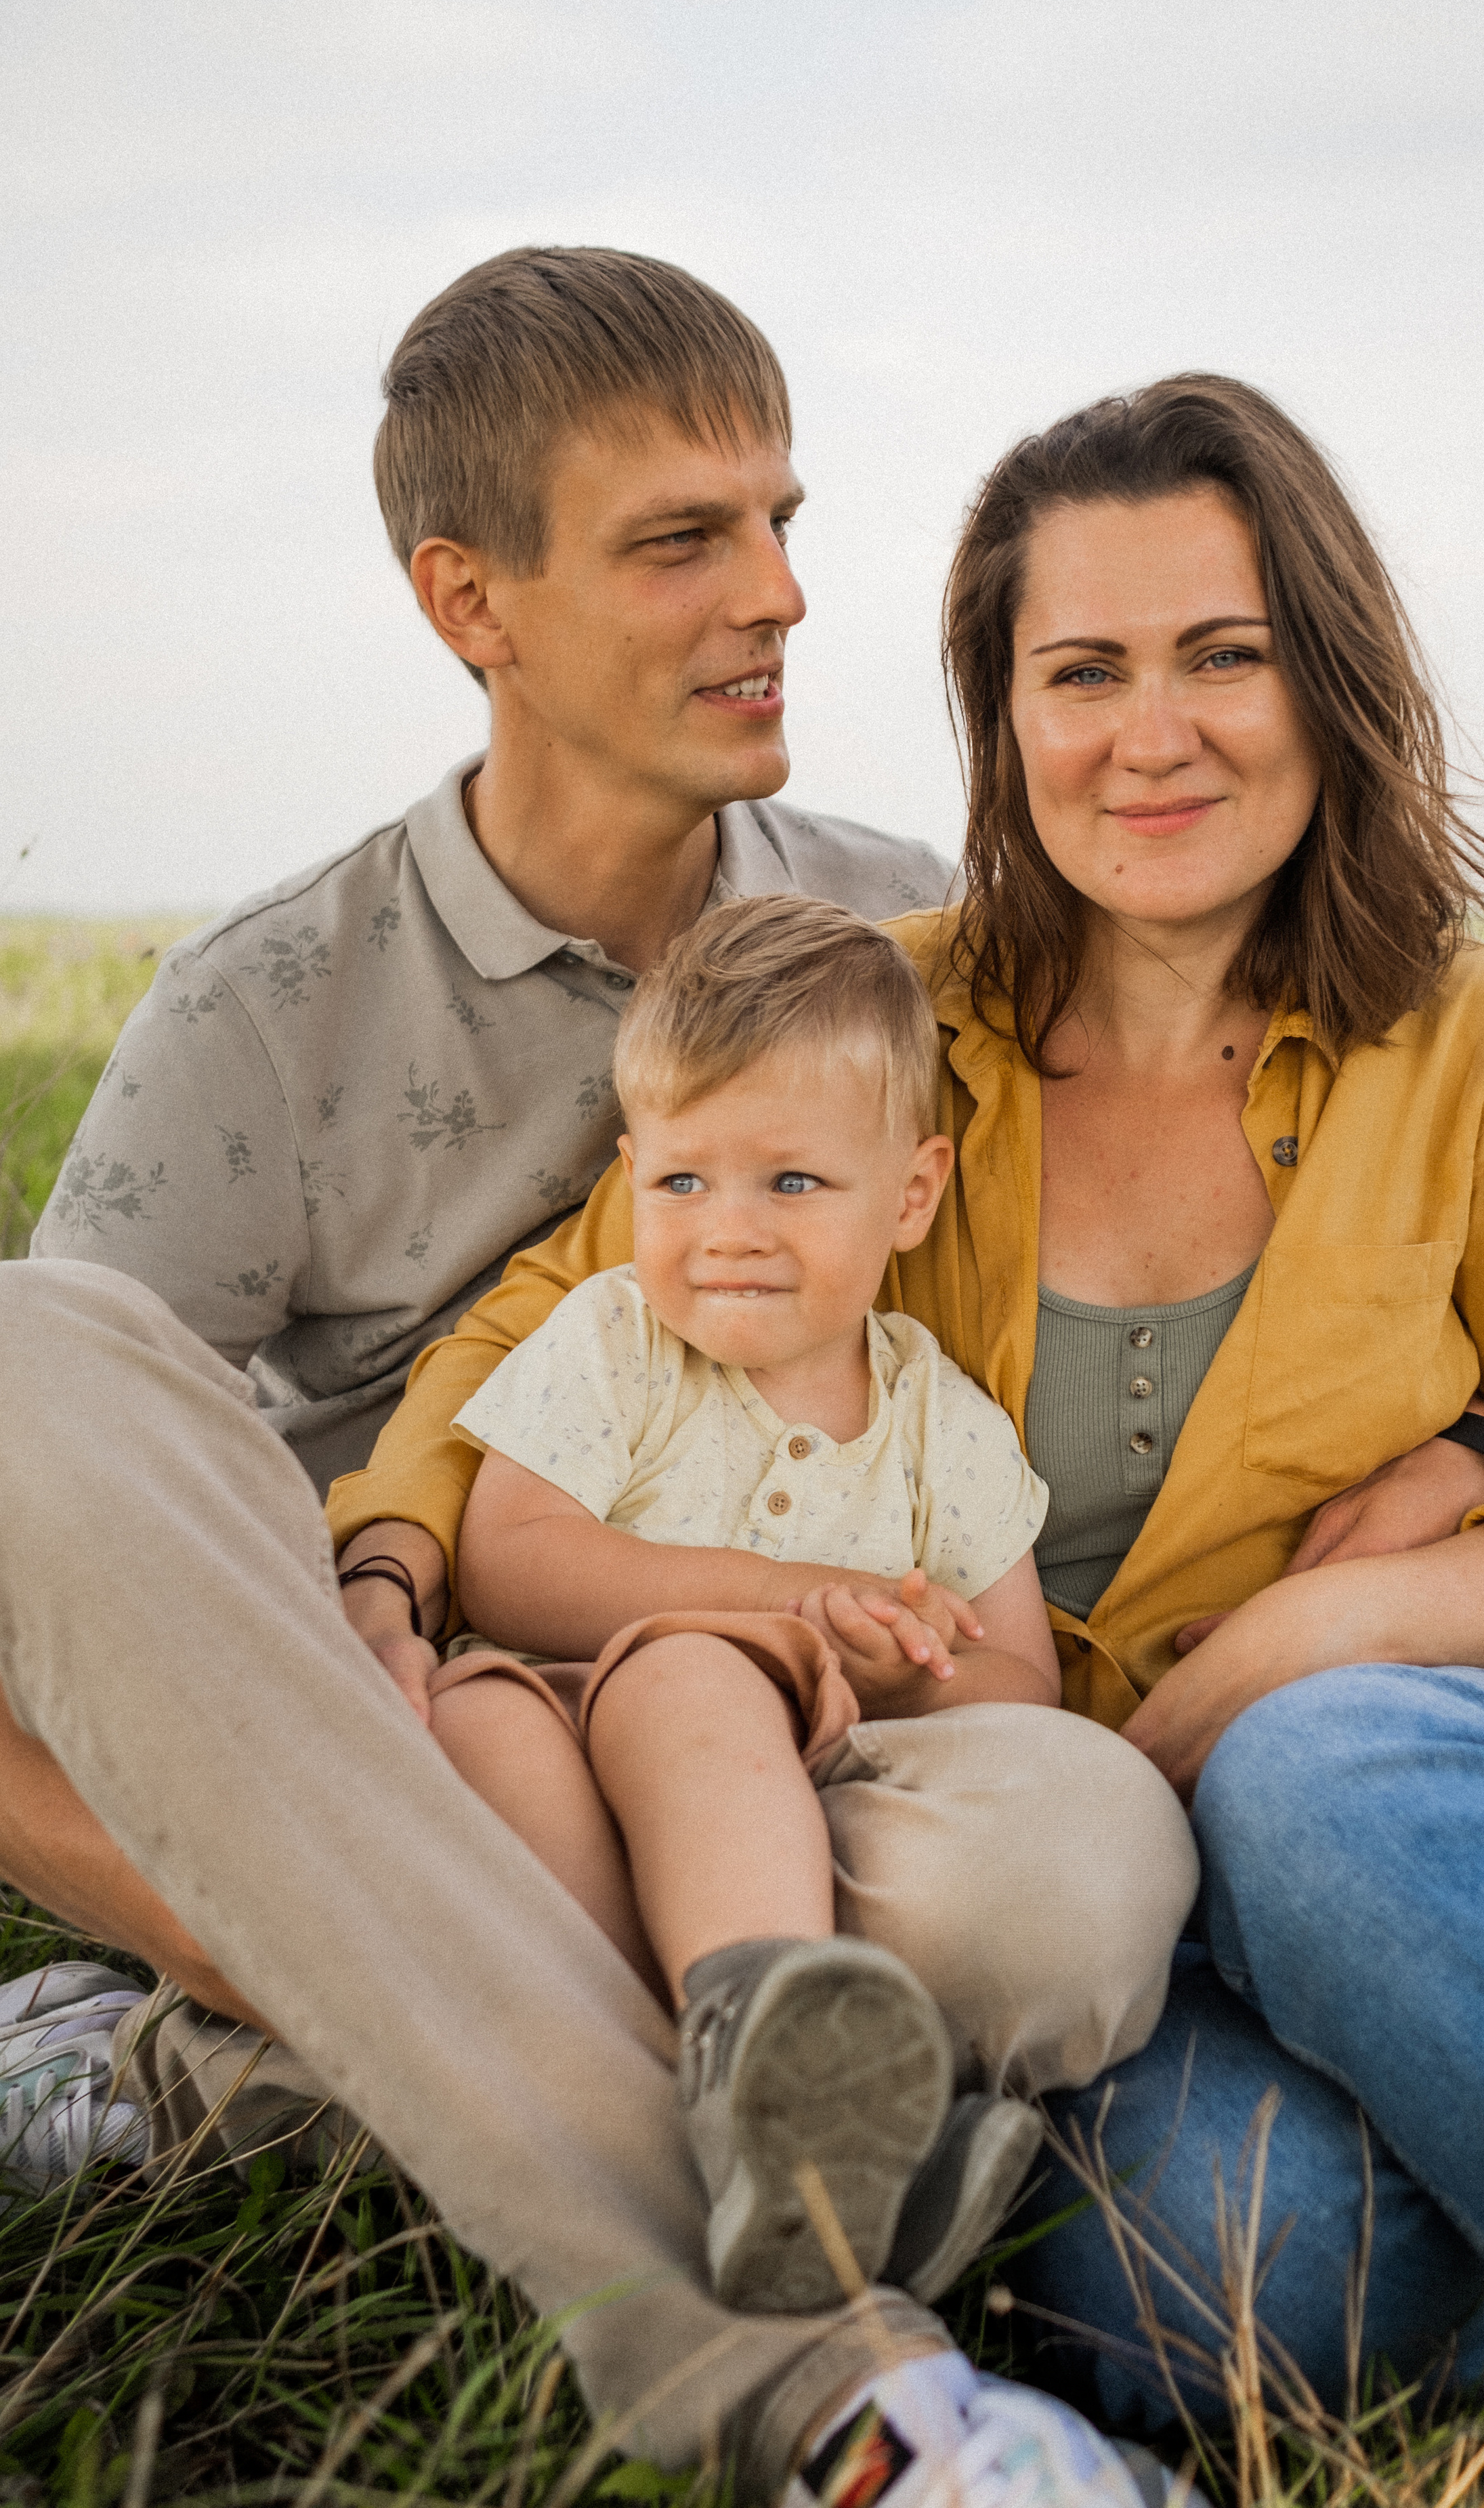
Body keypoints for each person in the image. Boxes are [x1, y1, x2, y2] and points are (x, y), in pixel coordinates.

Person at [339, 375, 1484, 2479]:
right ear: (1006, 720)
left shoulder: (1466, 1041)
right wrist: (391, 1552)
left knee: (1317, 1774)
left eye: (1223, 656)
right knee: (1205, 2261)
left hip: (1457, 1805)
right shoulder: (878, 1032)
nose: (1149, 732)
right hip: (1110, 1922)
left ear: (1328, 681)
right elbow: (550, 1320)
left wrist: (1294, 1645)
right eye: (1081, 671)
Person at [0, 251, 1211, 2508]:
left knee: (1067, 1892)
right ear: (476, 601)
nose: (778, 595)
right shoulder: (268, 1009)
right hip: (402, 1750)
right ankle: (851, 2405)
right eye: (683, 541)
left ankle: (210, 2085)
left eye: (782, 521)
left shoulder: (912, 937)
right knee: (17, 1362)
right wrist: (280, 1904)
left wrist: (1474, 1466)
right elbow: (71, 1563)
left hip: (806, 1767)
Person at [418, 895, 1194, 2318]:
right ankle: (771, 2130)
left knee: (703, 1686)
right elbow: (508, 1562)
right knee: (515, 1714)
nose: (728, 1233)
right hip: (569, 1733)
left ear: (910, 1194)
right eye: (682, 1183)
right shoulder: (612, 1343)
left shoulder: (936, 1425)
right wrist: (766, 1605)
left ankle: (735, 2107)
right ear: (630, 1173)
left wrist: (895, 1670)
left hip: (801, 1789)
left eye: (791, 1185)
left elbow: (1020, 1676)